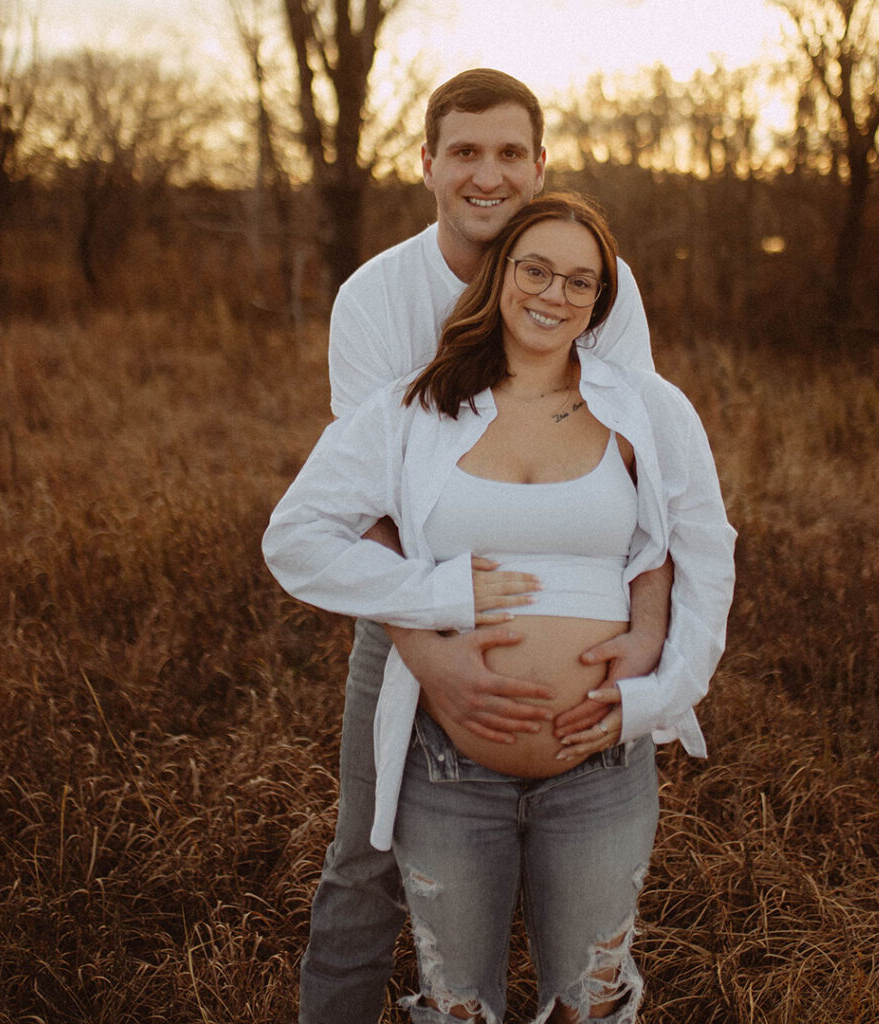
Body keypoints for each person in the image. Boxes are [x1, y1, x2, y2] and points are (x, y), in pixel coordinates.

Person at [264, 192, 737, 1023]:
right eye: (537, 271)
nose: (555, 295)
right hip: (446, 765)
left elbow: (706, 551)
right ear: (500, 278)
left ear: (601, 300)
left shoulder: (649, 410)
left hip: (603, 765)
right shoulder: (417, 408)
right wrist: (440, 594)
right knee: (457, 1008)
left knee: (588, 1006)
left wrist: (658, 695)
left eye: (581, 283)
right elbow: (295, 537)